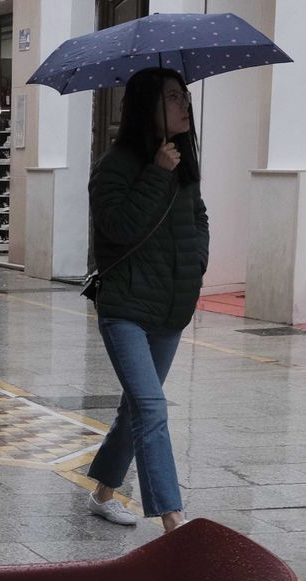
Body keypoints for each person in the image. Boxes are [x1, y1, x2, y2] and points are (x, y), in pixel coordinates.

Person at [84, 66, 207, 535]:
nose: (184, 105)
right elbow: (117, 230)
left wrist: (197, 262)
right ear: (146, 106)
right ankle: (173, 521)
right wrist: (156, 174)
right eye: (173, 97)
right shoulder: (114, 166)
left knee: (135, 407)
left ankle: (101, 492)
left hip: (171, 308)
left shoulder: (183, 162)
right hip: (125, 310)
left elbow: (199, 219)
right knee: (152, 407)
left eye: (184, 96)